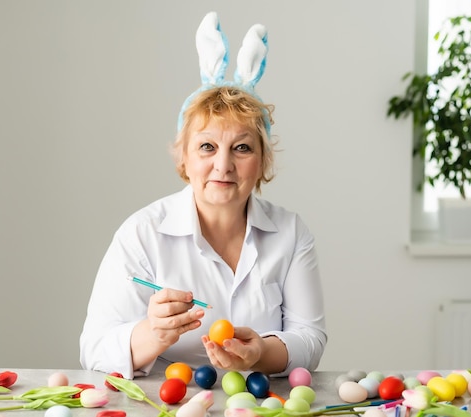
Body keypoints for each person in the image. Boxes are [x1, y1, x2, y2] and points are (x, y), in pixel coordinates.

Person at [79, 11, 327, 379]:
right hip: (168, 402)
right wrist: (154, 333)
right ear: (184, 157)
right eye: (207, 146)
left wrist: (259, 352)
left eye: (242, 148)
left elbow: (311, 338)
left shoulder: (291, 233)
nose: (223, 165)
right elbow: (93, 349)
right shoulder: (141, 234)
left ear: (262, 160)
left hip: (256, 401)